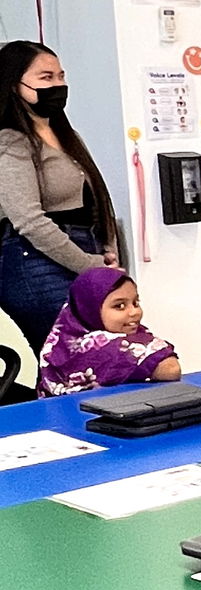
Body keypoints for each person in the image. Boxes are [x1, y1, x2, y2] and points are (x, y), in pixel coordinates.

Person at [0, 41, 120, 358]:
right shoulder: (10, 141)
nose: (58, 85)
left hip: (85, 252)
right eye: (46, 77)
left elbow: (95, 201)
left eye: (61, 76)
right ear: (14, 85)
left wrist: (108, 251)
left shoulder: (67, 136)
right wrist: (90, 265)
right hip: (35, 262)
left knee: (98, 358)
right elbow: (29, 222)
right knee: (75, 360)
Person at [37, 268, 180, 396]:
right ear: (90, 310)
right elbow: (170, 370)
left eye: (136, 303)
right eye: (120, 306)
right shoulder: (96, 345)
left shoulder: (61, 339)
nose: (135, 312)